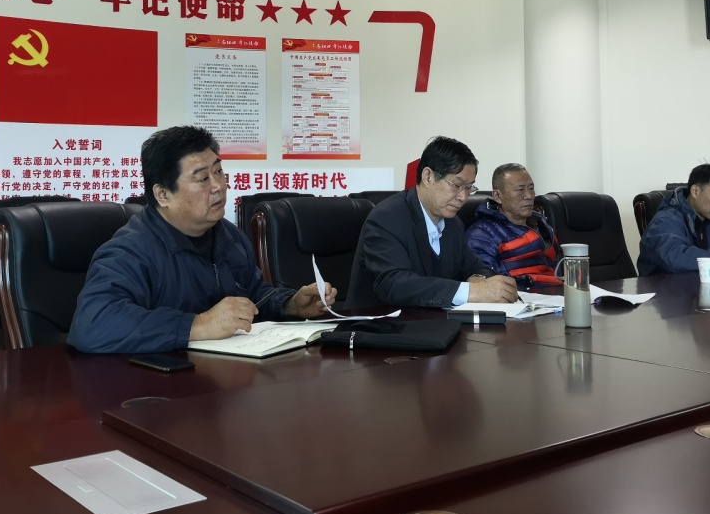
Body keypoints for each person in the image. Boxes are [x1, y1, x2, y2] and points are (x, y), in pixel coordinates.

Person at [68, 125, 335, 354]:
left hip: (222, 381)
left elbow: (252, 295)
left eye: (218, 172)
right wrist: (198, 325)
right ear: (163, 195)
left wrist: (289, 305)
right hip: (155, 388)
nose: (218, 186)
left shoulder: (230, 236)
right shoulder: (130, 251)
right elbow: (92, 325)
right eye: (203, 178)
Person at [351, 136, 518, 307]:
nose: (463, 197)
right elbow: (393, 284)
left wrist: (479, 280)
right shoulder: (386, 218)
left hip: (435, 320)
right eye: (456, 185)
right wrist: (470, 292)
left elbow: (477, 268)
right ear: (428, 177)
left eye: (469, 188)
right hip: (381, 320)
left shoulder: (453, 224)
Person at [466, 163, 561, 287]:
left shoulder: (541, 225)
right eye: (520, 190)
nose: (529, 196)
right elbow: (486, 284)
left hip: (557, 291)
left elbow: (559, 268)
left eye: (531, 188)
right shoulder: (482, 234)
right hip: (520, 294)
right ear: (498, 196)